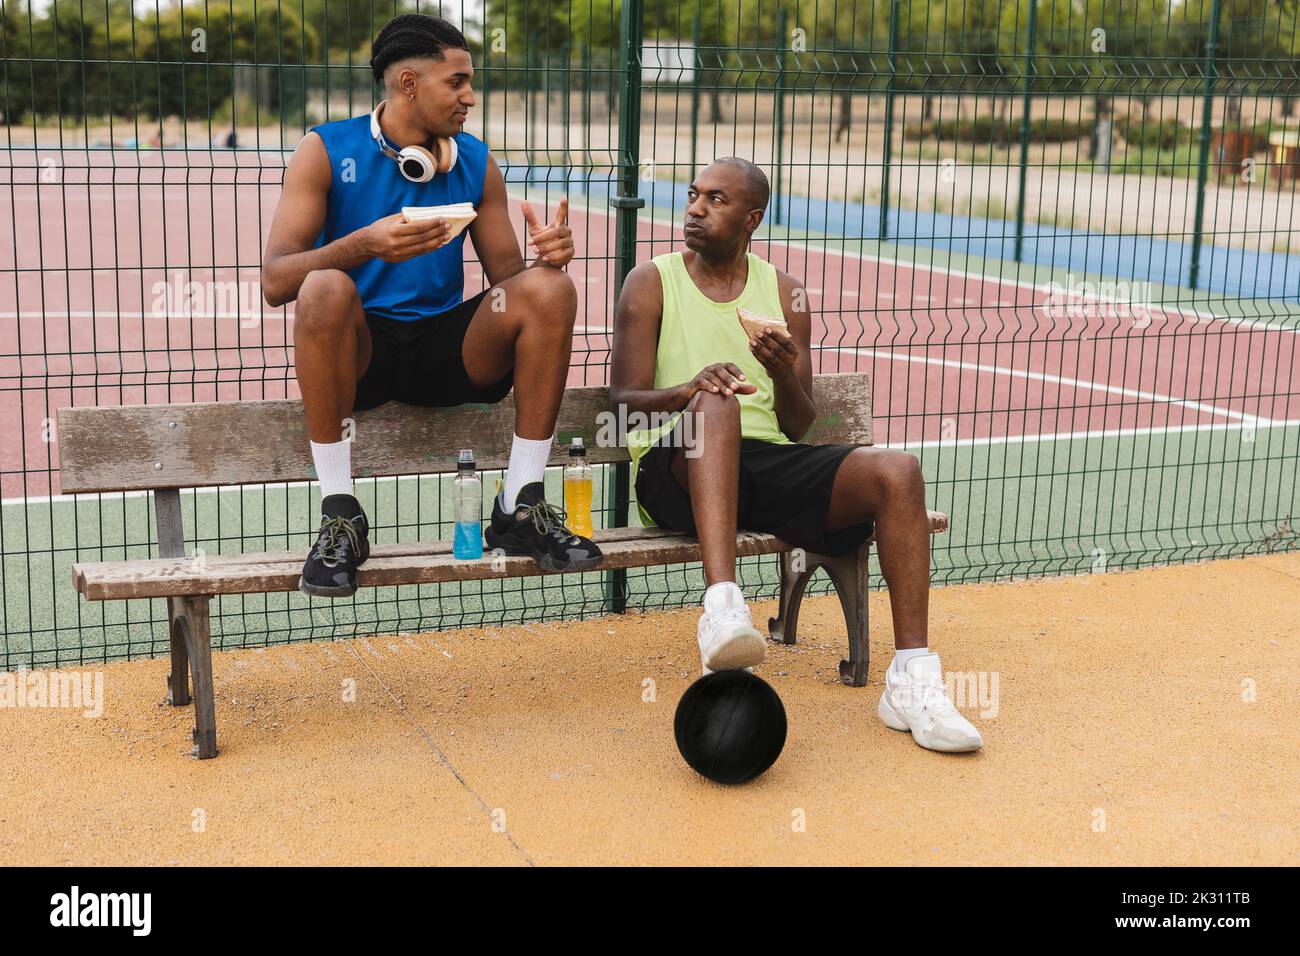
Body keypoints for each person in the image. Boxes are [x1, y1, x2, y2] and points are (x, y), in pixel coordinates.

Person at [610, 158, 983, 753]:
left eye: (716, 199)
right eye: (693, 196)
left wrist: (783, 373)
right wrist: (690, 388)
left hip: (760, 465)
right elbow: (625, 404)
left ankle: (912, 679)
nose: (696, 209)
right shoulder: (651, 281)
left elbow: (800, 423)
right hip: (675, 468)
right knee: (717, 404)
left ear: (752, 217)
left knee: (898, 471)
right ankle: (723, 609)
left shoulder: (785, 294)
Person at [261, 14, 602, 598]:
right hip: (360, 357)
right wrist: (361, 244)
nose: (471, 97)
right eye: (458, 82)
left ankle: (520, 505)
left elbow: (509, 284)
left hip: (449, 354)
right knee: (322, 285)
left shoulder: (473, 160)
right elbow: (274, 281)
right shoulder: (324, 149)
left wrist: (552, 260)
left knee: (550, 290)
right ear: (410, 84)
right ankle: (341, 513)